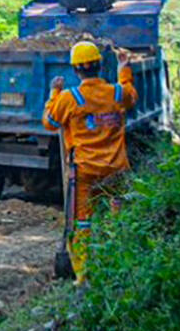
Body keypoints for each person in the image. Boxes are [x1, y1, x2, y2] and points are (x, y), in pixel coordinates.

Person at [43, 40, 137, 282]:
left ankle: (83, 276)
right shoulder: (118, 93)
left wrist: (54, 93)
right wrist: (124, 69)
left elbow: (50, 122)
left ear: (76, 70)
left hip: (84, 172)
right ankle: (120, 265)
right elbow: (131, 94)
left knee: (82, 222)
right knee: (119, 214)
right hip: (117, 169)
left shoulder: (69, 98)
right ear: (99, 65)